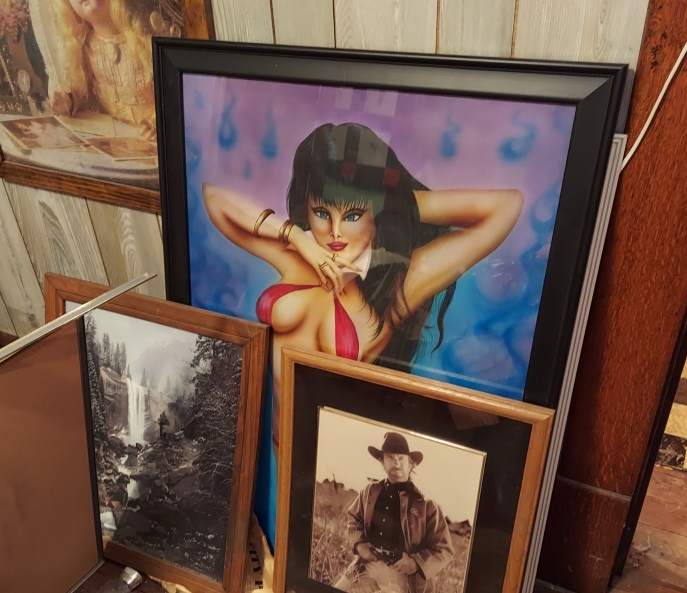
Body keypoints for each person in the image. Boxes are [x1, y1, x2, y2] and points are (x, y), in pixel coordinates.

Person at [202, 122, 523, 442]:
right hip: (278, 442)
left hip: (333, 451)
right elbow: (214, 199)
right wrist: (295, 236)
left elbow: (505, 207)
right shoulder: (293, 255)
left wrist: (396, 201)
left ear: (377, 212)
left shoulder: (400, 287)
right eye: (321, 212)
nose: (335, 231)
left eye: (352, 215)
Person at [40, 0, 183, 137]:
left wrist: (160, 122)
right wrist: (69, 100)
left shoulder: (143, 37)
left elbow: (177, 96)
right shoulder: (83, 48)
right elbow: (83, 95)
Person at [333, 432, 454, 593]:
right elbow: (353, 519)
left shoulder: (426, 505)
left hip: (403, 577)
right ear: (382, 462)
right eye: (389, 457)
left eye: (400, 458)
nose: (396, 463)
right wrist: (360, 545)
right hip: (367, 565)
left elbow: (444, 548)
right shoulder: (369, 492)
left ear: (411, 463)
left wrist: (415, 563)